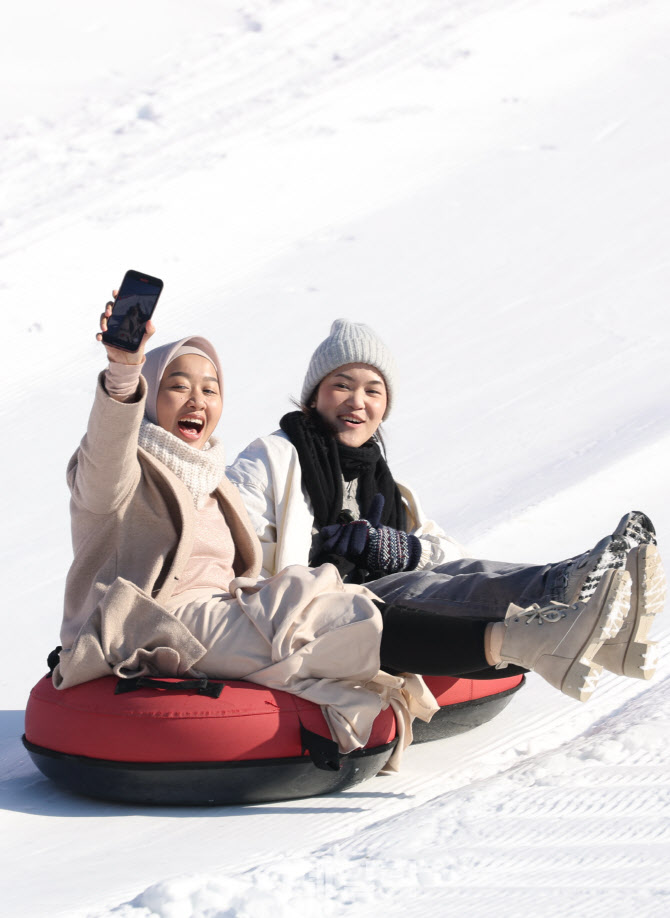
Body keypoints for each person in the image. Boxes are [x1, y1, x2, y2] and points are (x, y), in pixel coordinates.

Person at [53, 302, 663, 773]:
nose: (196, 399)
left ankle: (573, 605)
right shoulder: (136, 471)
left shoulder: (215, 479)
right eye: (177, 385)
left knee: (433, 573)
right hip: (155, 621)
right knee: (345, 602)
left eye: (210, 389)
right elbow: (109, 454)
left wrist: (403, 548)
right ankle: (547, 621)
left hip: (230, 610)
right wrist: (123, 369)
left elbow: (439, 551)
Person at [228, 318, 665, 685]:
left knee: (450, 573)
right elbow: (235, 540)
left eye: (373, 391)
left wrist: (406, 550)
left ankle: (584, 594)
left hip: (367, 604)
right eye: (342, 385)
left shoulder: (385, 484)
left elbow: (450, 558)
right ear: (315, 394)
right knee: (414, 588)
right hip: (308, 612)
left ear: (385, 406)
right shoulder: (273, 457)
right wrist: (319, 552)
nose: (357, 402)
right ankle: (569, 586)